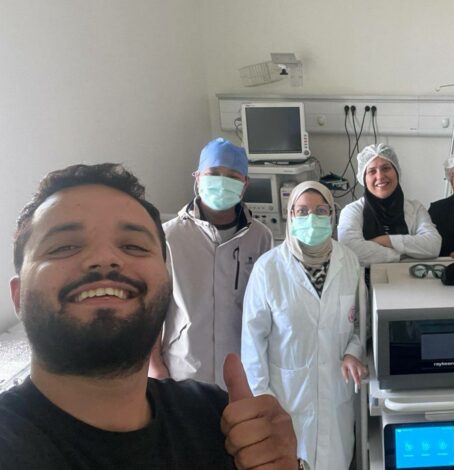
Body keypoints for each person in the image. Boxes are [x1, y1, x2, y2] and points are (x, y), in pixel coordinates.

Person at [0, 163, 297, 469]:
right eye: (64, 246)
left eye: (133, 246)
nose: (105, 258)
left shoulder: (220, 421)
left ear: (166, 285)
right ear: (18, 295)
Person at [242, 181, 368, 470]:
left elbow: (360, 323)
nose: (311, 218)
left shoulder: (349, 262)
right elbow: (252, 343)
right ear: (290, 215)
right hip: (286, 401)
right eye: (302, 211)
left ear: (331, 214)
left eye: (320, 210)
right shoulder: (268, 268)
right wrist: (263, 401)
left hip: (336, 400)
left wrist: (353, 352)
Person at [149, 138, 273, 389]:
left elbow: (268, 308)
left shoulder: (260, 237)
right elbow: (151, 307)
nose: (222, 182)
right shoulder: (169, 237)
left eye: (233, 176)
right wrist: (155, 366)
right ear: (197, 178)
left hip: (243, 369)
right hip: (183, 370)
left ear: (245, 184)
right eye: (213, 173)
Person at [337, 143, 441, 266]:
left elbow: (433, 245)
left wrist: (386, 240)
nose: (380, 176)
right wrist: (400, 255)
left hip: (408, 276)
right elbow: (351, 249)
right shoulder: (351, 211)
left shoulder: (415, 208)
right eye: (372, 171)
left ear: (396, 172)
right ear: (364, 179)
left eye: (386, 168)